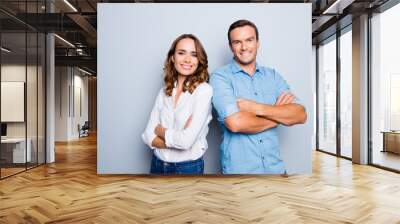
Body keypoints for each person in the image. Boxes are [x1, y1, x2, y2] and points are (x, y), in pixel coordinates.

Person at [210, 20, 307, 174]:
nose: (244, 47)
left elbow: (300, 115)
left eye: (249, 40)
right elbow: (235, 123)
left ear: (257, 42)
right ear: (231, 47)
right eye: (237, 42)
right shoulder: (220, 77)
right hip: (239, 173)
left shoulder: (273, 76)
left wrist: (256, 108)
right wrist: (279, 114)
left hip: (276, 170)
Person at [142, 34, 213, 175]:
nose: (187, 59)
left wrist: (161, 131)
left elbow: (186, 142)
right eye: (181, 53)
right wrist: (177, 139)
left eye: (194, 54)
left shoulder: (204, 90)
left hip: (188, 168)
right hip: (157, 164)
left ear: (199, 60)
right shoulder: (164, 91)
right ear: (172, 57)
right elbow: (147, 135)